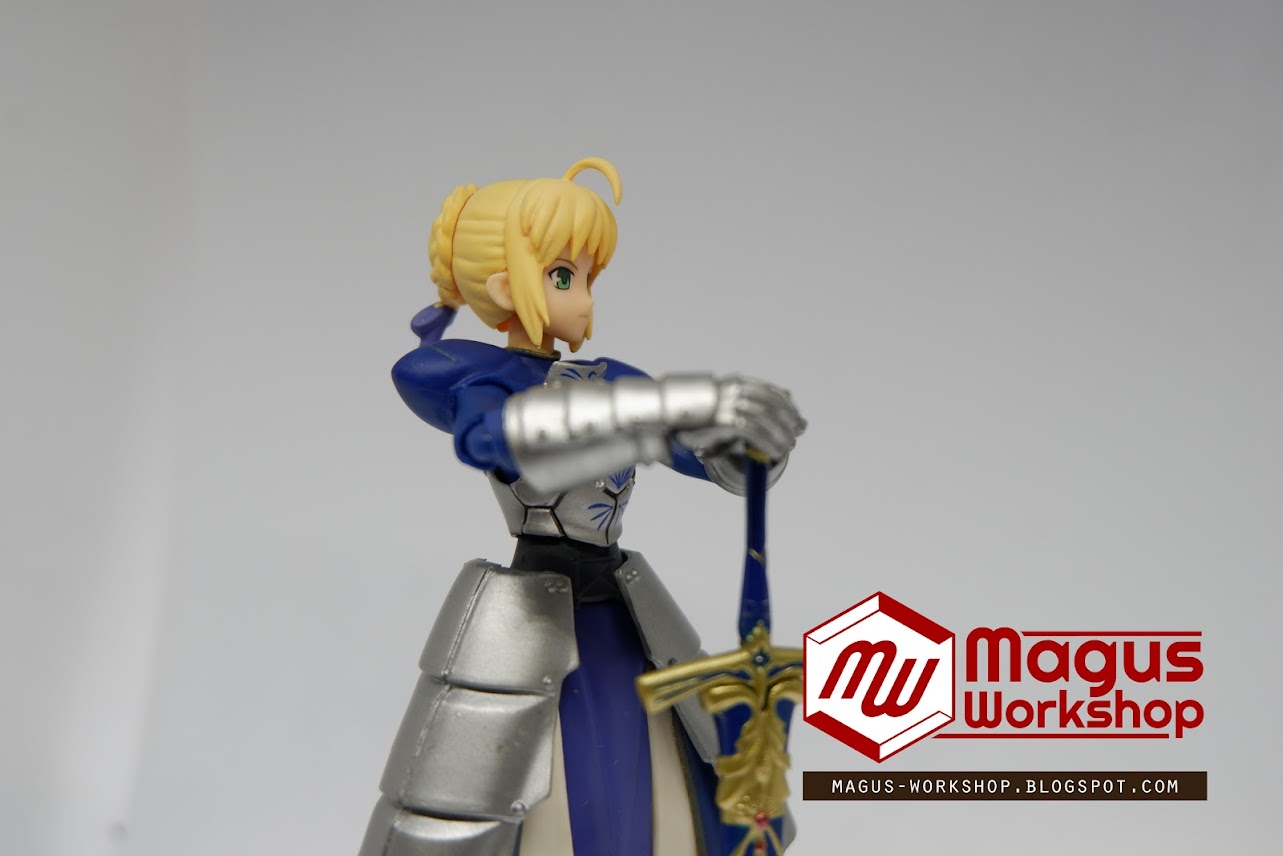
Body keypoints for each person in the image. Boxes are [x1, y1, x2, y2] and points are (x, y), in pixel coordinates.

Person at [357, 157, 805, 856]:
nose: (585, 298)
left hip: (619, 604)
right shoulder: (476, 374)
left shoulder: (613, 379)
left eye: (589, 278)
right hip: (530, 614)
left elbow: (694, 451)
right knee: (527, 794)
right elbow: (487, 438)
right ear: (505, 285)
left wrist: (748, 445)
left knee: (667, 776)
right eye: (565, 277)